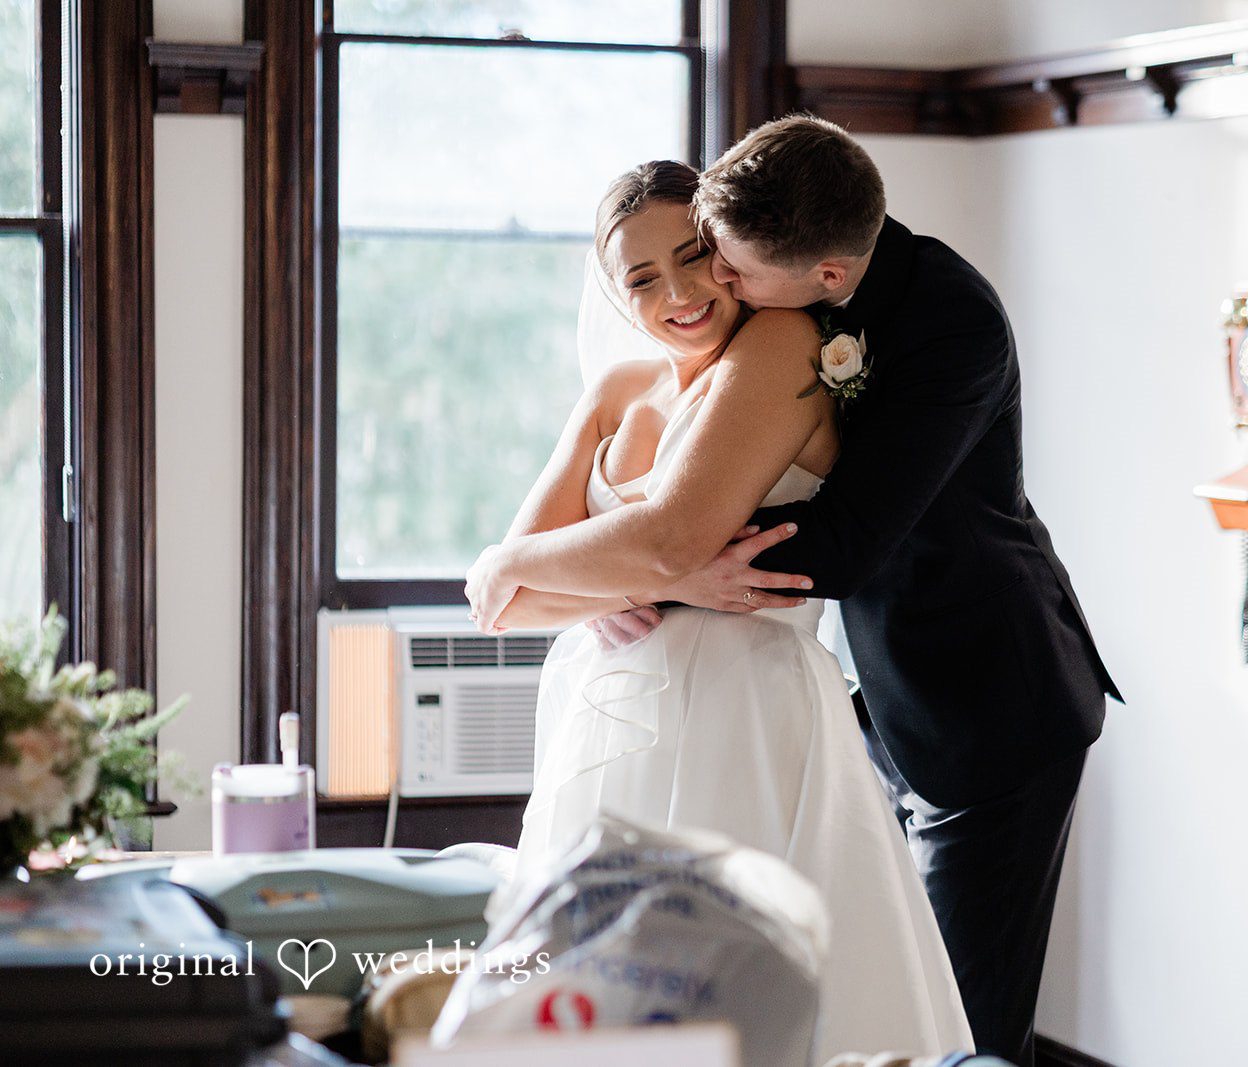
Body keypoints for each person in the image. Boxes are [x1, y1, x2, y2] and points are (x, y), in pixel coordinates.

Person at [576, 116, 1122, 1067]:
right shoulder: (798, 277)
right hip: (882, 698)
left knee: (960, 1025)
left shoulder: (954, 326)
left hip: (990, 704)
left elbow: (845, 545)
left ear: (827, 277)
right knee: (879, 995)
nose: (719, 286)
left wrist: (661, 567)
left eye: (728, 267)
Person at [464, 159, 972, 1061]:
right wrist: (624, 582)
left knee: (753, 993)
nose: (680, 292)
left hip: (748, 713)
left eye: (695, 256)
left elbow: (659, 539)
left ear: (728, 252)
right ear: (616, 298)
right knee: (591, 996)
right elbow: (510, 603)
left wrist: (529, 562)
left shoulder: (779, 343)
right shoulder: (616, 393)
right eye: (642, 279)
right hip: (608, 718)